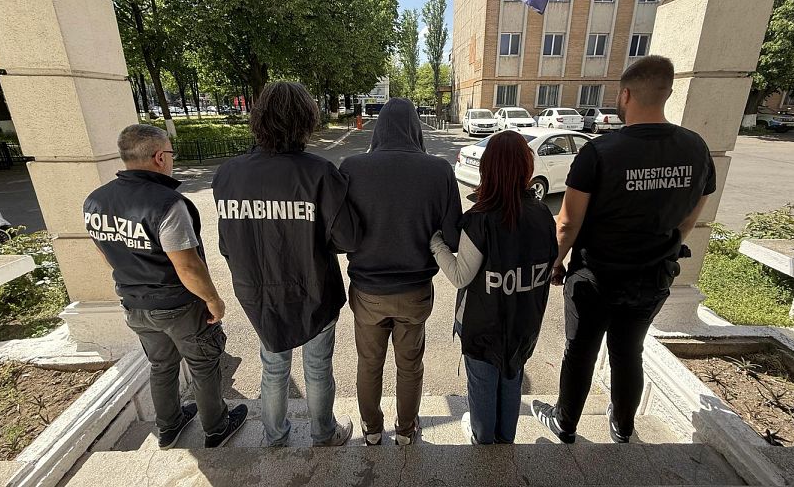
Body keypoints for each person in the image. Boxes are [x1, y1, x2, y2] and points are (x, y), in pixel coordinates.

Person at [531, 55, 716, 444]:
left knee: (580, 351)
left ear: (626, 94)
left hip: (595, 278)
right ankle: (623, 426)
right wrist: (667, 247)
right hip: (653, 278)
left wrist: (554, 263)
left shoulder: (599, 152)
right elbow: (692, 214)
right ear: (667, 93)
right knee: (629, 351)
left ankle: (565, 423)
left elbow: (567, 223)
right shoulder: (696, 148)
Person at [212, 82, 360, 447]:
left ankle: (275, 436)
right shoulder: (320, 173)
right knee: (317, 367)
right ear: (306, 120)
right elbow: (348, 239)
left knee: (273, 367)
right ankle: (324, 432)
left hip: (257, 292)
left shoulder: (228, 174)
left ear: (259, 118)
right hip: (314, 290)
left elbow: (226, 243)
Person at [84, 124, 247, 450]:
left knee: (161, 365)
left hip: (135, 303)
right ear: (160, 157)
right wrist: (213, 300)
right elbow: (187, 265)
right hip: (178, 306)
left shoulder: (95, 200)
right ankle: (217, 429)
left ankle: (169, 428)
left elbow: (105, 252)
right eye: (170, 154)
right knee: (203, 365)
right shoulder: (167, 204)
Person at [340, 98, 463, 446]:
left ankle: (371, 430)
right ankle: (406, 430)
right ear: (415, 128)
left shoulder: (351, 168)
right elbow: (454, 238)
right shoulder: (439, 170)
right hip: (415, 291)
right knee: (410, 366)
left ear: (379, 128)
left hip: (367, 291)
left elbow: (340, 236)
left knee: (369, 363)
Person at [430, 131, 557, 444]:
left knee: (483, 384)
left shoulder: (480, 218)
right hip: (524, 322)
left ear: (488, 168)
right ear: (526, 168)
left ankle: (483, 440)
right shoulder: (543, 214)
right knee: (512, 378)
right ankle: (506, 440)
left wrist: (436, 244)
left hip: (483, 325)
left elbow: (460, 276)